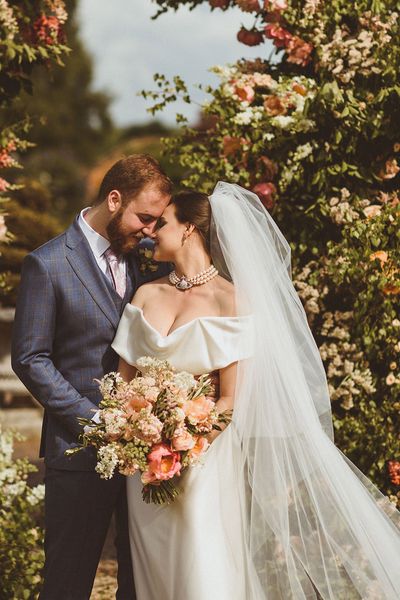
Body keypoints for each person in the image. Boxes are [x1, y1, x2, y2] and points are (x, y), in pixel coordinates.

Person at [111, 182, 400, 600]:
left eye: (164, 222)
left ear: (189, 228)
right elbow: (124, 382)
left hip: (202, 462)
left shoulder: (232, 301)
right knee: (154, 569)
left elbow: (229, 399)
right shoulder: (146, 293)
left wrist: (184, 449)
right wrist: (134, 439)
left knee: (202, 569)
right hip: (144, 466)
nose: (153, 231)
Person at [11, 154, 172, 600]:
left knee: (140, 581)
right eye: (144, 217)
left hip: (148, 457)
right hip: (79, 448)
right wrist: (96, 421)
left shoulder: (148, 261)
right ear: (114, 199)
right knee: (68, 580)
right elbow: (30, 358)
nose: (149, 230)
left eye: (158, 222)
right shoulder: (46, 264)